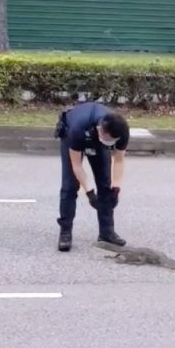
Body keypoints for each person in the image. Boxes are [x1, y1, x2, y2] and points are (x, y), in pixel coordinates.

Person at [53, 101, 130, 252]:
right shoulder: (77, 128)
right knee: (70, 186)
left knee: (105, 184)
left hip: (97, 137)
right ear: (100, 130)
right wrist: (89, 193)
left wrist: (116, 188)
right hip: (72, 135)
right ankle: (65, 231)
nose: (110, 144)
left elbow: (119, 160)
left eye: (113, 142)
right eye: (108, 140)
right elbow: (76, 166)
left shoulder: (121, 130)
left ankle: (107, 232)